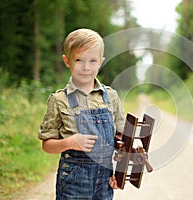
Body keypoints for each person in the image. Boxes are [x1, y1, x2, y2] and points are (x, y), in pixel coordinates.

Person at [38, 28, 125, 200]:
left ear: (101, 61)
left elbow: (122, 140)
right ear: (67, 61)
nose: (86, 67)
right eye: (79, 60)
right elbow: (47, 145)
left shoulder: (111, 97)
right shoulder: (59, 100)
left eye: (93, 61)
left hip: (104, 179)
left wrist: (120, 173)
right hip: (73, 181)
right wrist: (69, 142)